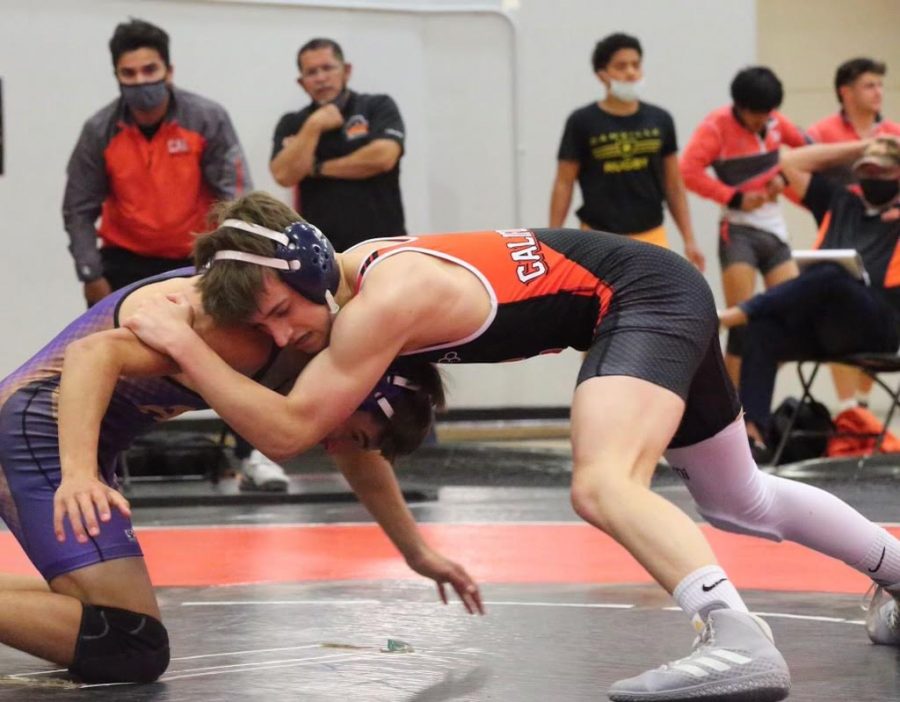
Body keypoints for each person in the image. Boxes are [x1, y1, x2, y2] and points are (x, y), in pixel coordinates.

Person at [124, 198, 900, 701]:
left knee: (602, 483)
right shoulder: (344, 296)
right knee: (741, 499)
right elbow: (338, 433)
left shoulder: (378, 305)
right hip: (654, 290)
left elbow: (290, 432)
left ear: (312, 272)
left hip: (640, 298)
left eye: (283, 313)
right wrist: (417, 549)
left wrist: (182, 349)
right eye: (265, 329)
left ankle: (733, 635)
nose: (284, 335)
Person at [0, 194, 480, 684]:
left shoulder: (301, 336)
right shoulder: (243, 331)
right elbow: (91, 355)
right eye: (353, 433)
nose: (278, 334)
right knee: (129, 646)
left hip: (60, 429)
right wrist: (78, 473)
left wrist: (417, 552)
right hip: (41, 425)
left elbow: (359, 458)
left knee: (98, 619)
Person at [59, 19, 276, 491]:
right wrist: (89, 273)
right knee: (112, 363)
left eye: (149, 70)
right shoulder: (99, 130)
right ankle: (103, 465)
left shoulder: (207, 119)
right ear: (117, 76)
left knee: (241, 352)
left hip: (196, 259)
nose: (141, 82)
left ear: (169, 69)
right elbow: (78, 208)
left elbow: (235, 196)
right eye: (129, 74)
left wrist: (235, 263)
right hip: (125, 261)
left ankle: (253, 455)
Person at [719, 137, 900, 454]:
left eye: (881, 171)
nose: (873, 177)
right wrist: (864, 146)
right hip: (827, 327)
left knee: (831, 274)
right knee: (760, 331)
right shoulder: (842, 202)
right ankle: (753, 437)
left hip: (879, 328)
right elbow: (790, 163)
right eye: (866, 170)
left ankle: (742, 310)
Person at [680, 66, 807, 393]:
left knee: (791, 317)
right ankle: (733, 406)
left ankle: (755, 392)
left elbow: (808, 151)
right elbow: (688, 171)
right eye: (756, 116)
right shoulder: (716, 126)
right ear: (739, 106)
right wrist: (733, 197)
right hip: (738, 232)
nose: (763, 122)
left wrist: (786, 176)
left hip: (774, 230)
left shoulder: (776, 121)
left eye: (768, 115)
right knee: (742, 323)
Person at [549, 33, 704, 270]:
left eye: (636, 64)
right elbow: (564, 183)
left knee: (653, 303)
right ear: (602, 75)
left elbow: (674, 184)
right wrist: (553, 239)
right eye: (621, 66)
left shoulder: (660, 119)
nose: (631, 72)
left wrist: (689, 239)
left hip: (651, 234)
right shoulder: (582, 121)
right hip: (598, 236)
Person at [807, 57, 900, 413]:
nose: (878, 92)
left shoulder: (893, 130)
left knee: (874, 297)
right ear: (845, 92)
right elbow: (792, 164)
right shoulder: (823, 131)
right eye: (869, 85)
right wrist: (863, 148)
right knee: (836, 303)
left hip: (884, 228)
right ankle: (848, 406)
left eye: (880, 85)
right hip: (839, 219)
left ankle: (860, 402)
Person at [270, 37, 406, 253]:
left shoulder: (377, 106)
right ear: (301, 82)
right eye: (311, 72)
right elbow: (284, 174)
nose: (321, 78)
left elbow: (383, 157)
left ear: (346, 70)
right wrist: (313, 125)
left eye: (327, 68)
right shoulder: (293, 122)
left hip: (383, 243)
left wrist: (317, 168)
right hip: (321, 251)